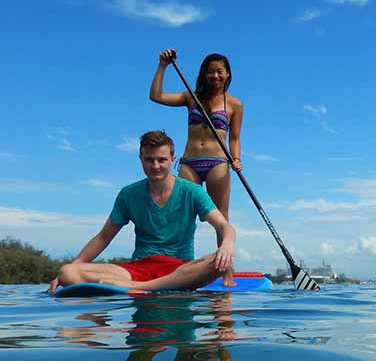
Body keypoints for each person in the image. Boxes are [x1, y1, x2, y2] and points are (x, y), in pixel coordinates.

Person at [48, 131, 236, 293]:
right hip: (138, 268)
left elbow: (223, 226)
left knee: (222, 261)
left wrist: (226, 244)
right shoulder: (128, 194)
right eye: (149, 160)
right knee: (67, 272)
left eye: (161, 160)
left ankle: (144, 287)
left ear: (172, 160)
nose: (155, 166)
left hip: (180, 271)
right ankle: (138, 285)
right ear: (140, 159)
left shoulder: (192, 191)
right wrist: (74, 267)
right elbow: (103, 237)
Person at [150, 49, 243, 286]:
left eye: (219, 71)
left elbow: (234, 139)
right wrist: (163, 66)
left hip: (218, 163)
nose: (215, 75)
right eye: (210, 71)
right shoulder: (190, 97)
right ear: (203, 74)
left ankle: (227, 273)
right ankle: (176, 270)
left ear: (228, 74)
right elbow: (156, 96)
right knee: (181, 217)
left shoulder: (234, 104)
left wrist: (236, 159)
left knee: (221, 219)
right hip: (190, 163)